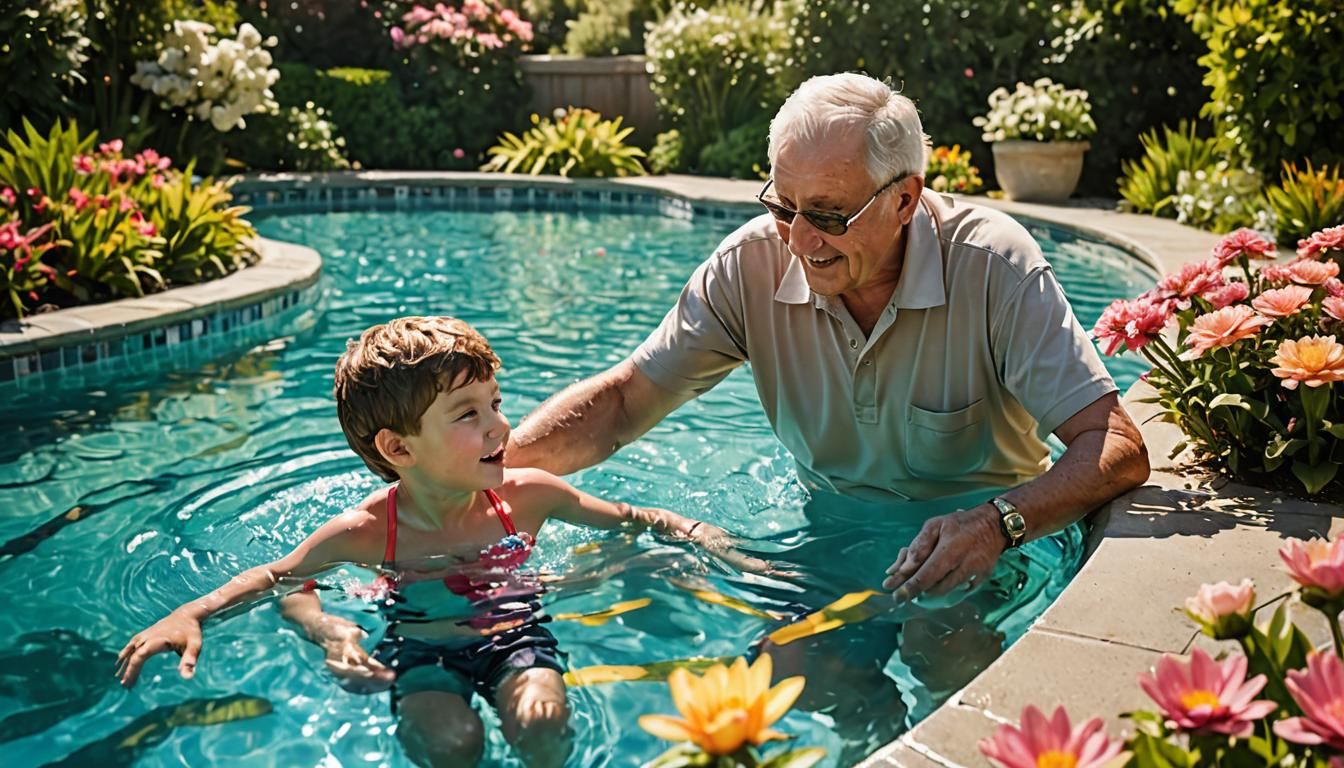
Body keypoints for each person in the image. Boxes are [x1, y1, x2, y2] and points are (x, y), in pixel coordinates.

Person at [505, 72, 1150, 733]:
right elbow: (623, 402)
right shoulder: (750, 266)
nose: (798, 240)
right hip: (836, 540)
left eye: (827, 214)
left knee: (944, 655)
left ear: (905, 199)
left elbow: (1117, 446)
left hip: (994, 539)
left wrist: (997, 523)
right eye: (782, 206)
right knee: (783, 676)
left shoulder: (994, 265)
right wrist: (481, 475)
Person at [115, 316, 762, 768]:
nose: (500, 427)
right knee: (451, 744)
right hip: (420, 648)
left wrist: (693, 534)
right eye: (468, 414)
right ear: (399, 449)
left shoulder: (528, 496)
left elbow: (632, 517)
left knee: (541, 724)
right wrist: (313, 629)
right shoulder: (369, 531)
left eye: (496, 402)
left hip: (518, 635)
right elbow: (283, 581)